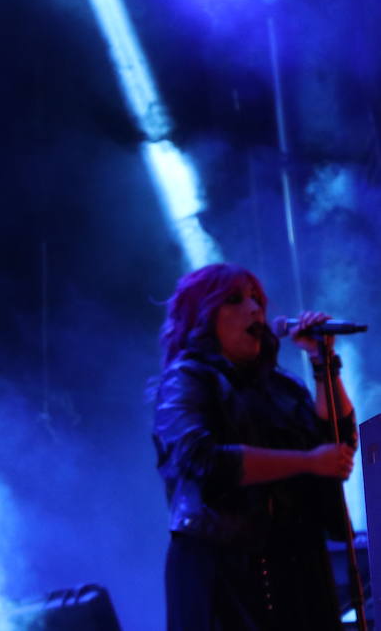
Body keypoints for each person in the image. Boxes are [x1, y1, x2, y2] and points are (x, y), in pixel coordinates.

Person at [152, 263, 356, 630]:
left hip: (295, 564)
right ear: (201, 314)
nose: (254, 310)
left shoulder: (280, 386)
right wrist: (308, 462)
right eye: (235, 300)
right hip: (225, 570)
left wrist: (323, 362)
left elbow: (338, 447)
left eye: (257, 300)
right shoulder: (187, 379)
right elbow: (204, 460)